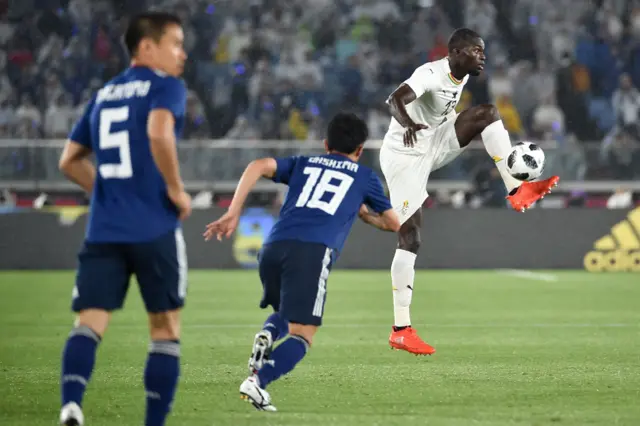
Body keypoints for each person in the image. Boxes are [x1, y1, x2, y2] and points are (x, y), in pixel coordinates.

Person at [380, 28, 560, 355]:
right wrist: (408, 124)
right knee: (411, 237)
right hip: (404, 154)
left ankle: (517, 189)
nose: (483, 56)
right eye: (477, 50)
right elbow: (394, 100)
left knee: (488, 114)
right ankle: (401, 329)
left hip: (432, 144)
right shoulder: (430, 73)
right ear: (458, 51)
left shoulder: (460, 77)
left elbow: (442, 114)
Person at [204, 112, 400, 411]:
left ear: (325, 144)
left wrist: (233, 212)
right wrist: (365, 216)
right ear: (360, 149)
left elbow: (258, 165)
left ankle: (268, 333)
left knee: (285, 310)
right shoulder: (365, 177)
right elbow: (394, 223)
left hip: (273, 245)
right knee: (304, 334)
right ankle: (257, 382)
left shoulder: (303, 163)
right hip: (312, 251)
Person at [57, 12, 190, 426]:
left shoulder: (105, 93)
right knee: (165, 328)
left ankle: (72, 404)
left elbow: (69, 161)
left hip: (104, 228)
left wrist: (109, 194)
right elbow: (158, 131)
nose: (182, 54)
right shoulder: (166, 86)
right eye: (175, 43)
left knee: (90, 322)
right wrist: (174, 187)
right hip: (154, 226)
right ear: (147, 47)